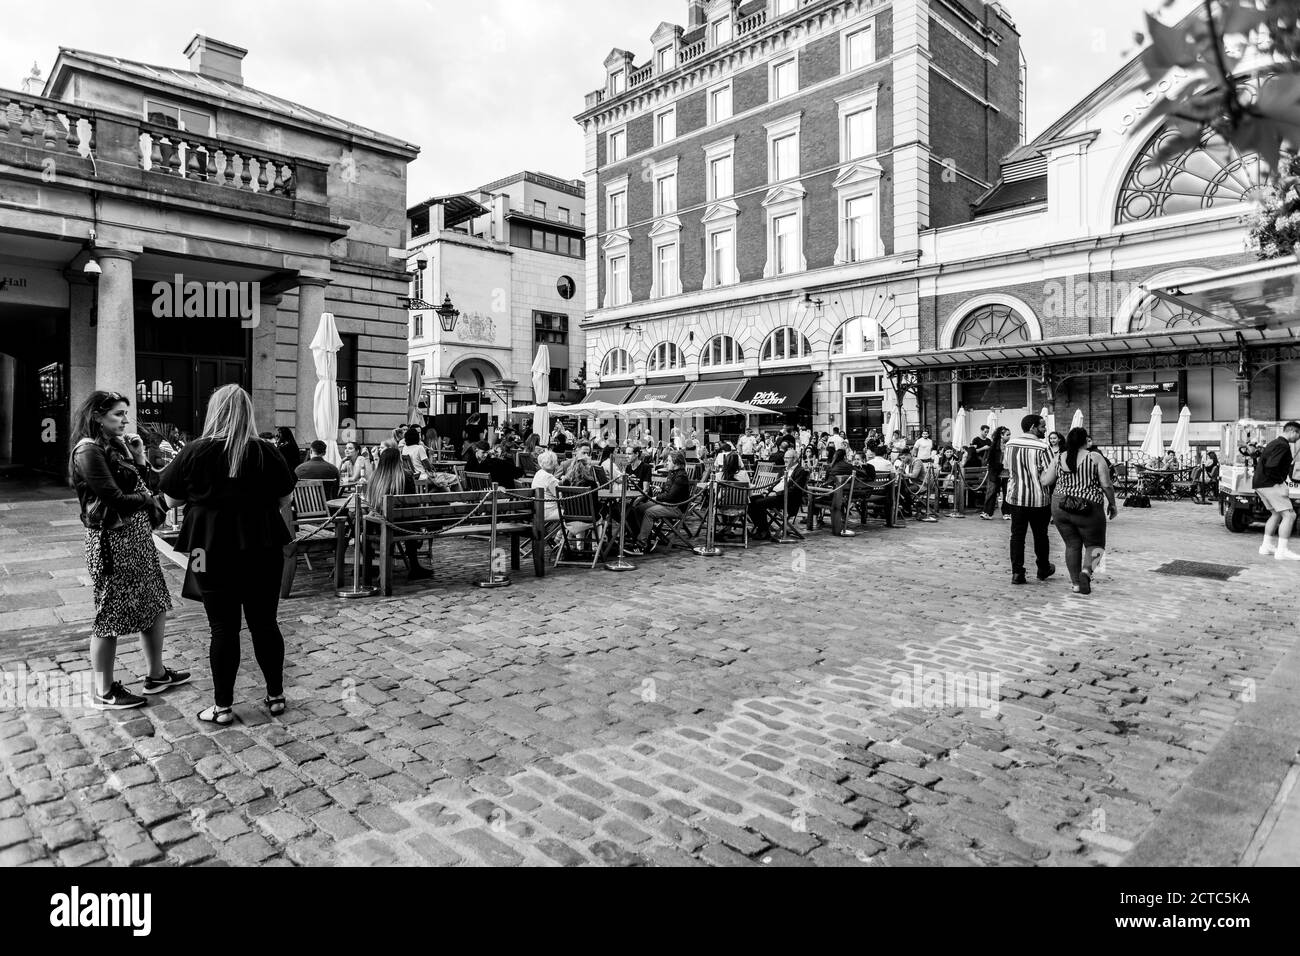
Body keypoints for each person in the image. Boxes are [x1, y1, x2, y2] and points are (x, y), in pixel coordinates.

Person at [159, 385, 295, 725]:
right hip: (263, 547)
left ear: (214, 412)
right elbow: (284, 499)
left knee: (221, 627)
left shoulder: (195, 451)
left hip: (206, 550)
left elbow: (171, 499)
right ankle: (276, 695)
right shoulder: (266, 451)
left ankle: (222, 707)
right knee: (265, 623)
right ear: (248, 413)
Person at [71, 391, 185, 710]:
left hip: (137, 538)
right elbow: (116, 499)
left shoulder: (116, 446)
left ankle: (156, 673)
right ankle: (104, 690)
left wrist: (138, 458)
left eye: (125, 414)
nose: (124, 420)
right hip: (112, 540)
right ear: (97, 416)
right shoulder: (87, 451)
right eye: (118, 414)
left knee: (154, 601)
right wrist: (150, 502)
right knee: (110, 613)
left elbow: (145, 485)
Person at [1040, 427, 1118, 595]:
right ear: (1085, 441)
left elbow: (1046, 481)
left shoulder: (1058, 457)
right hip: (1088, 507)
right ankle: (1086, 572)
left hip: (1060, 506)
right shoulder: (1095, 457)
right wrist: (1112, 504)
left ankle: (1076, 584)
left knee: (1072, 545)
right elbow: (1106, 485)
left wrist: (1040, 473)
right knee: (1096, 545)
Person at [366, 447, 433, 582]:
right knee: (410, 521)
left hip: (376, 526)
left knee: (406, 522)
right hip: (400, 527)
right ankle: (414, 566)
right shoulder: (405, 476)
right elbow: (412, 504)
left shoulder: (374, 476)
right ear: (398, 461)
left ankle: (369, 567)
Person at [1005, 414, 1055, 585]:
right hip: (1038, 498)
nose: (1045, 429)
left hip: (1016, 497)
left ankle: (1017, 572)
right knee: (1040, 535)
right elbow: (1050, 473)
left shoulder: (1009, 444)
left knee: (1017, 536)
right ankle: (1043, 568)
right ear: (1033, 426)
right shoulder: (1042, 447)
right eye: (1042, 426)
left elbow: (1008, 468)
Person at [624, 452, 692, 555]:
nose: (666, 463)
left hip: (675, 507)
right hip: (667, 503)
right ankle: (645, 536)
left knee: (649, 512)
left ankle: (642, 545)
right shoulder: (672, 472)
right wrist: (660, 489)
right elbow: (668, 490)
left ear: (676, 463)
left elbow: (671, 496)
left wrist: (656, 497)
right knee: (638, 509)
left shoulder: (681, 476)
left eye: (669, 461)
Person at [1257, 421, 1300, 561]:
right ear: (1293, 431)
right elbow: (1271, 466)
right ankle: (1282, 551)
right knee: (1290, 515)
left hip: (1260, 484)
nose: (1298, 438)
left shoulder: (1273, 443)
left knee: (1275, 514)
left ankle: (1266, 546)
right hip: (1271, 484)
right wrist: (1281, 483)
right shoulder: (1283, 445)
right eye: (1298, 435)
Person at [748, 449, 808, 541]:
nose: (785, 460)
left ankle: (763, 531)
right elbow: (775, 484)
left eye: (787, 458)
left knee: (759, 503)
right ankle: (762, 529)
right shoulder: (785, 469)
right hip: (775, 495)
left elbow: (794, 490)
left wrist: (776, 493)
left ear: (795, 459)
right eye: (785, 457)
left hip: (786, 499)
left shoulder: (801, 471)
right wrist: (767, 490)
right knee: (750, 500)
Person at [981, 427, 1011, 520]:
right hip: (995, 472)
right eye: (1007, 435)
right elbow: (990, 460)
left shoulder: (1010, 446)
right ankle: (987, 512)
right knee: (992, 492)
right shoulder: (994, 446)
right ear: (1001, 435)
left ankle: (1007, 513)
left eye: (1009, 434)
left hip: (1007, 473)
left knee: (1007, 493)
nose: (1009, 436)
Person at [531, 450, 563, 523]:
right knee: (575, 513)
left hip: (538, 510)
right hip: (550, 511)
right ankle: (562, 534)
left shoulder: (539, 473)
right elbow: (561, 497)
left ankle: (561, 533)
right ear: (554, 463)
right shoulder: (549, 478)